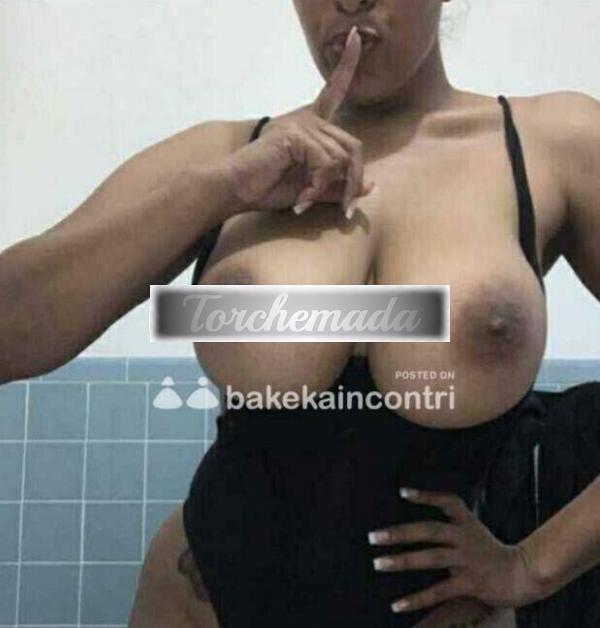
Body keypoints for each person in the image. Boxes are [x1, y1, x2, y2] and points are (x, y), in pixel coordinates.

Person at [0, 1, 598, 627]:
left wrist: (532, 566)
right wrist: (215, 193)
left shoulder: (554, 145)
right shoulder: (227, 156)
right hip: (205, 605)